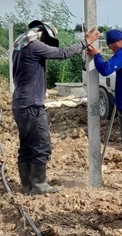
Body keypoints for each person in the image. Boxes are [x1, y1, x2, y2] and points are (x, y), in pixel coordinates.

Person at [12, 20, 99, 194]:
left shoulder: (20, 46)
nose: (46, 45)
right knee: (41, 144)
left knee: (27, 145)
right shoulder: (34, 46)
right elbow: (62, 53)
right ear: (43, 34)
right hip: (31, 104)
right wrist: (85, 42)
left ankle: (28, 185)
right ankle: (39, 185)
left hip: (20, 103)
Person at [86, 29, 122, 184]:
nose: (111, 50)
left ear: (116, 42)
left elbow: (106, 69)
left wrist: (97, 55)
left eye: (111, 47)